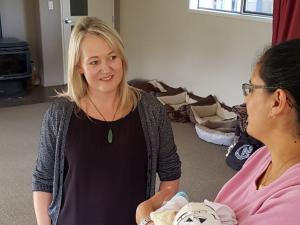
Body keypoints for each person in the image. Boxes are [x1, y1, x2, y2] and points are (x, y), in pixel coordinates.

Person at [32, 16, 181, 225]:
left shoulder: (152, 110)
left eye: (112, 57)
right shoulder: (58, 115)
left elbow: (170, 174)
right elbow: (43, 181)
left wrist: (148, 210)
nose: (107, 69)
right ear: (79, 67)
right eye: (94, 61)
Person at [137, 39, 300, 225]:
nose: (245, 101)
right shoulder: (264, 156)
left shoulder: (294, 207)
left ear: (277, 102)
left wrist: (146, 220)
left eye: (251, 89)